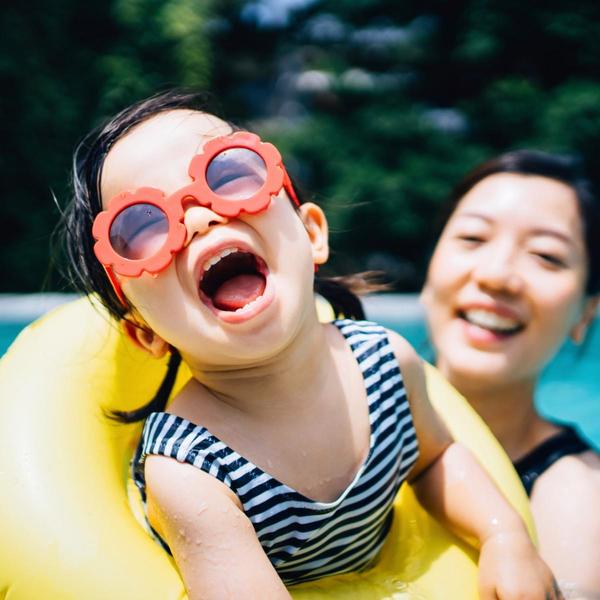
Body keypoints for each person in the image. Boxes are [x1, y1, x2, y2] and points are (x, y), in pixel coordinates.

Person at [62, 90, 558, 600]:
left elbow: (435, 460)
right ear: (145, 332)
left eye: (227, 175)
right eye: (142, 226)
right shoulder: (190, 470)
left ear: (312, 234)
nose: (198, 218)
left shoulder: (385, 364)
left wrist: (503, 536)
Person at [421, 149, 600, 596]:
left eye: (546, 256)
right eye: (473, 239)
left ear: (586, 312)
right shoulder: (333, 414)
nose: (498, 276)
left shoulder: (577, 495)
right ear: (431, 270)